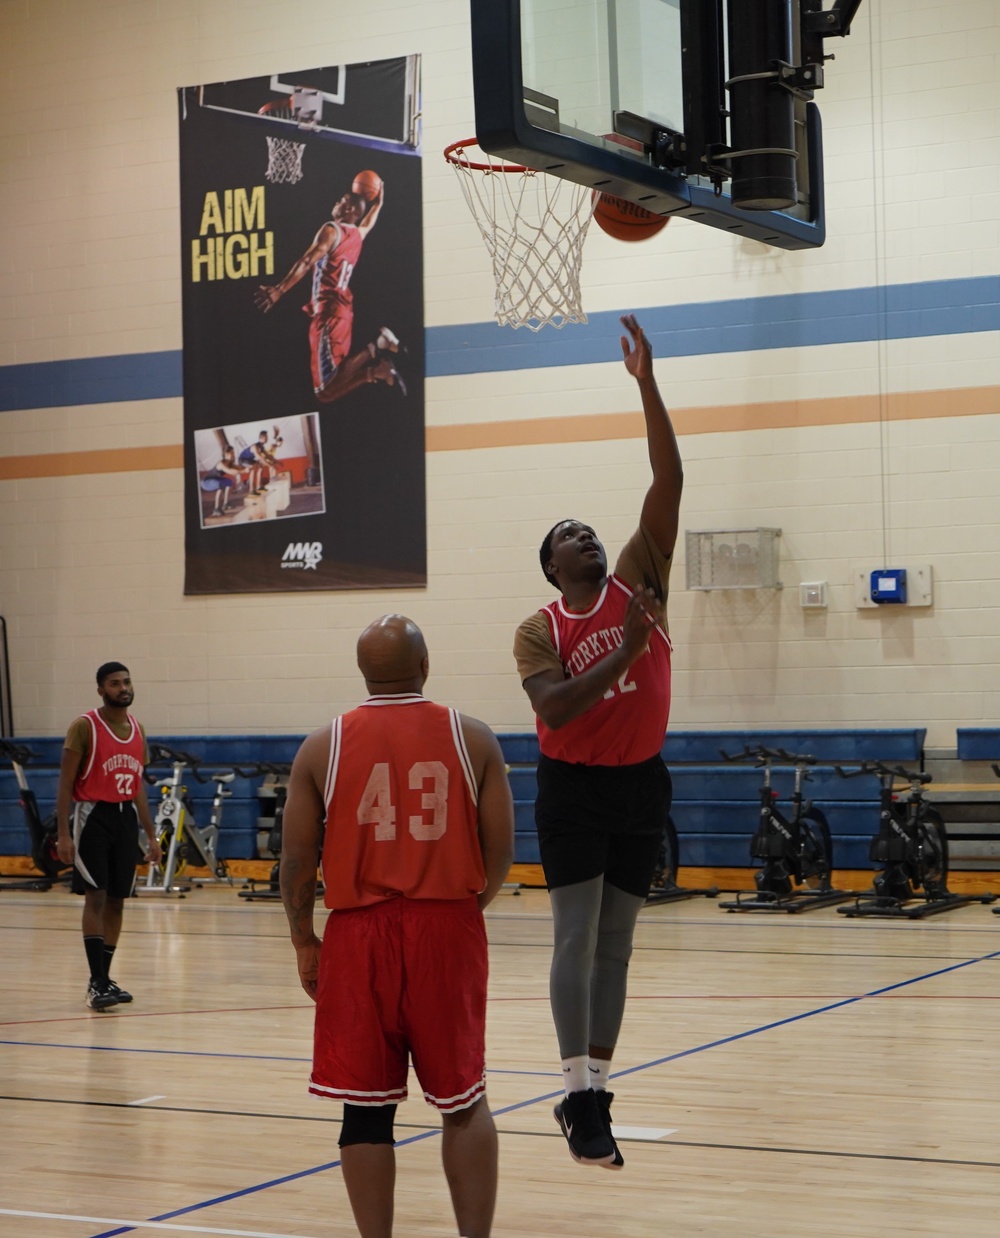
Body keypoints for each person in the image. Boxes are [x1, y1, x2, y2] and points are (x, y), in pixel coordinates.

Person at [512, 313, 683, 1170]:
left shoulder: (638, 578)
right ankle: (574, 1090)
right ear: (552, 568)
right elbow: (556, 712)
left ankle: (597, 1090)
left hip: (641, 782)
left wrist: (646, 382)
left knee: (618, 943)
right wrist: (621, 649)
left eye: (588, 529)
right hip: (572, 788)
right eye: (565, 536)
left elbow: (668, 477)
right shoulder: (538, 629)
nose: (583, 534)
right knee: (574, 938)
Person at [280, 614, 514, 1238]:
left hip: (359, 936)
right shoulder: (475, 737)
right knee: (464, 1101)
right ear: (426, 665)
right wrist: (461, 911)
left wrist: (305, 940)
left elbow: (297, 861)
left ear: (362, 672)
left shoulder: (321, 745)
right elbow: (501, 853)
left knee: (365, 1109)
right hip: (448, 928)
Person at [55, 663, 162, 1011]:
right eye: (114, 683)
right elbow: (65, 784)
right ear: (101, 690)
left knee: (117, 899)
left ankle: (105, 978)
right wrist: (62, 835)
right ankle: (95, 980)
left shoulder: (138, 729)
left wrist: (151, 835)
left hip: (125, 818)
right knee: (96, 897)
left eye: (127, 681)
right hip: (93, 816)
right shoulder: (84, 727)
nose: (123, 687)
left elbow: (139, 788)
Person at [255, 183, 405, 403]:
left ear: (350, 210)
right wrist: (379, 203)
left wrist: (279, 289)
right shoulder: (356, 235)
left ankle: (377, 346)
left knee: (324, 388)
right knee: (325, 393)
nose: (337, 202)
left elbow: (307, 261)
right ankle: (375, 371)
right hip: (342, 310)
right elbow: (367, 224)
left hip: (328, 312)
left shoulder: (332, 230)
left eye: (342, 200)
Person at [201, 442, 242, 517]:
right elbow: (231, 472)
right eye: (231, 453)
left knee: (229, 482)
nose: (233, 455)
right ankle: (216, 509)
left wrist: (246, 469)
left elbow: (240, 468)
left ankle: (225, 505)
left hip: (215, 479)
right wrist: (242, 471)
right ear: (226, 454)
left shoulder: (230, 463)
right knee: (220, 485)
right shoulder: (221, 463)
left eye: (233, 453)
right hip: (206, 482)